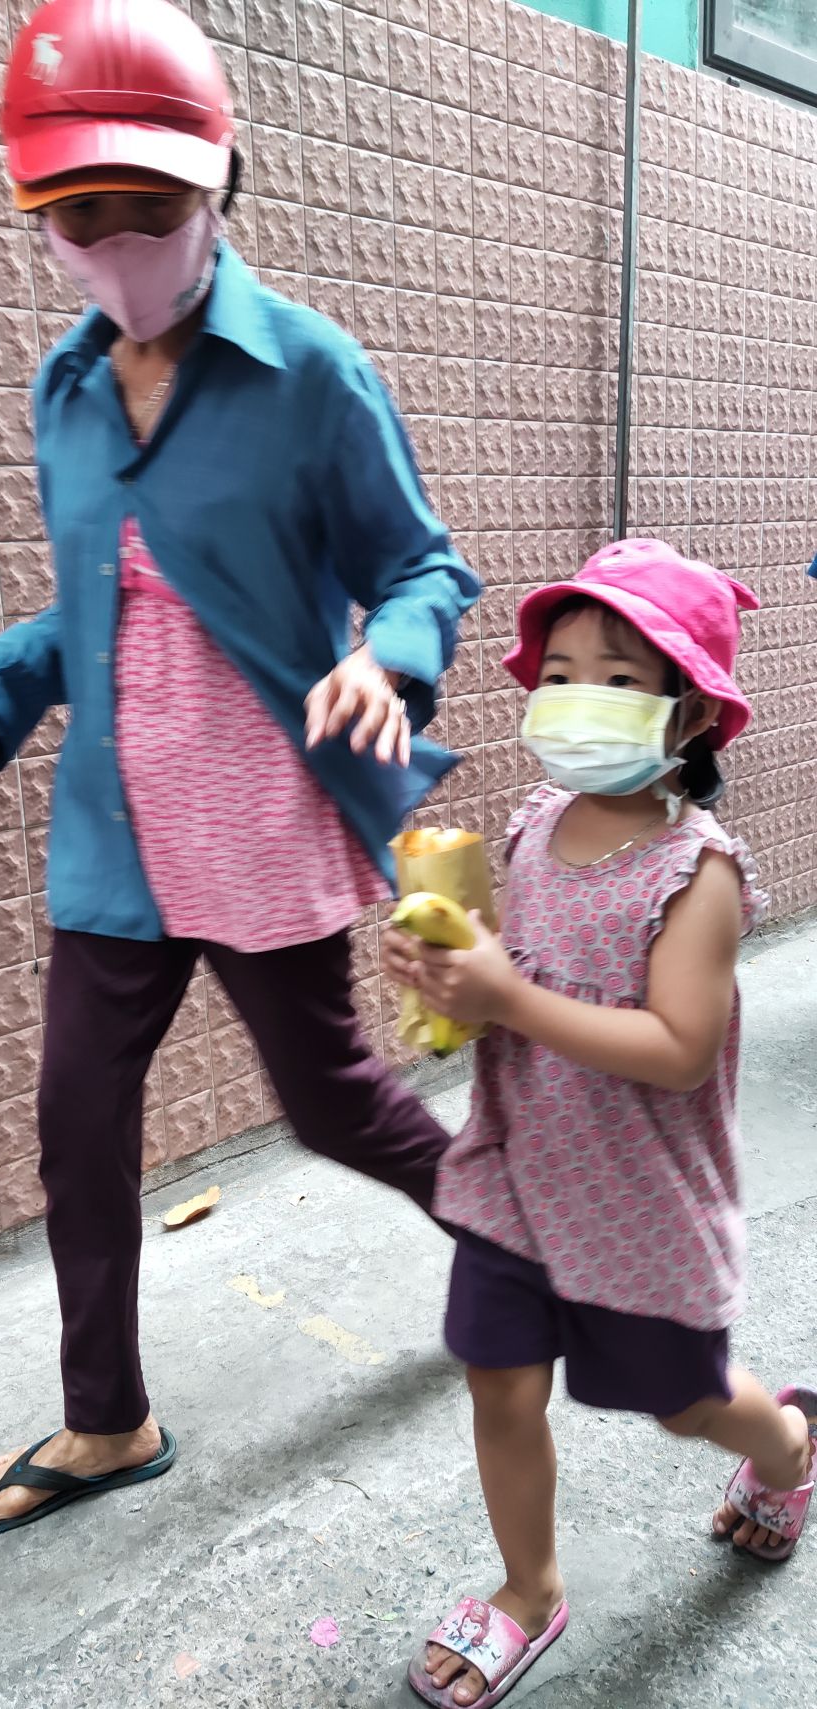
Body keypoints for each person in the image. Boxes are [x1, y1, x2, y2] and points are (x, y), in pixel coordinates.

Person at [0, 0, 479, 1537]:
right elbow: (103, 603)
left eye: (150, 204)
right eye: (79, 214)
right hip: (116, 833)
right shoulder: (64, 390)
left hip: (260, 818)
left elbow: (423, 567)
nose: (116, 240)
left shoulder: (310, 372)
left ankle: (519, 1243)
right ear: (39, 218)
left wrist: (385, 658)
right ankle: (106, 1416)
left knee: (337, 1106)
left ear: (218, 186)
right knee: (78, 1127)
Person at [383, 539, 817, 1708]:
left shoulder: (696, 874)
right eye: (562, 672)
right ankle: (529, 1589)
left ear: (691, 714)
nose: (578, 698)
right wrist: (447, 972)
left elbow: (678, 1048)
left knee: (686, 1402)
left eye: (619, 679)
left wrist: (509, 996)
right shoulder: (532, 823)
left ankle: (788, 1446)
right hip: (515, 1173)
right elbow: (509, 970)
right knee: (498, 1380)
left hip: (639, 1200)